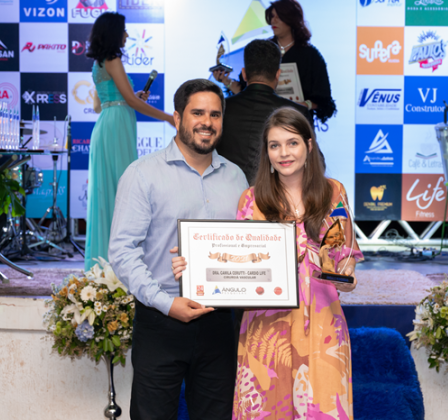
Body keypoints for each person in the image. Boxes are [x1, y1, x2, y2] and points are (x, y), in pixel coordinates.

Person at [173, 107, 362, 419]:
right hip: (266, 330)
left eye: (292, 143)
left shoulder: (333, 192)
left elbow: (344, 255)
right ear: (266, 152)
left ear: (309, 145)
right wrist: (193, 264)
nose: (283, 153)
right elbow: (235, 262)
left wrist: (347, 272)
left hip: (323, 324)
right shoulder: (252, 199)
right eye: (274, 145)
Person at [108, 79, 248, 420]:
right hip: (161, 320)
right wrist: (166, 303)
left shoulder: (236, 178)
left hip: (219, 323)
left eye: (215, 114)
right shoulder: (142, 174)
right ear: (177, 117)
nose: (207, 122)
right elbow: (123, 251)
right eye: (197, 113)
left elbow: (246, 247)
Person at [84, 12, 174, 272]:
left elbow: (99, 104)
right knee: (122, 193)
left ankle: (105, 264)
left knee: (109, 193)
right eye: (123, 30)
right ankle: (119, 265)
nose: (126, 35)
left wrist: (128, 97)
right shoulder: (113, 59)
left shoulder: (99, 63)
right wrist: (168, 118)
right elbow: (131, 102)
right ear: (114, 33)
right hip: (116, 128)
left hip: (108, 125)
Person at [215, 0, 336, 124]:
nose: (273, 21)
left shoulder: (311, 55)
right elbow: (246, 90)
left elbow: (324, 100)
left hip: (297, 123)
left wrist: (304, 105)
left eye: (279, 17)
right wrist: (225, 81)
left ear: (291, 19)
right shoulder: (262, 50)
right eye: (272, 16)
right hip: (263, 122)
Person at [217, 39, 312, 185]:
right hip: (273, 196)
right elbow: (316, 164)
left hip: (224, 194)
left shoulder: (219, 108)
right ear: (278, 74)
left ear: (244, 74)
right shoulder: (298, 112)